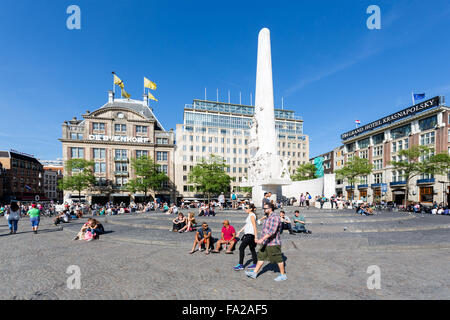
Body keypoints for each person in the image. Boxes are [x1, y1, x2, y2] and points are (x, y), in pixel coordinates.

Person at [245, 202, 287, 282]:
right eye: (263, 208)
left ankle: (283, 274)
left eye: (265, 208)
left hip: (273, 243)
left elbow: (272, 231)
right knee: (261, 257)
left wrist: (262, 239)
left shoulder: (275, 217)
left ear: (270, 209)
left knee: (278, 259)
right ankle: (254, 273)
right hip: (265, 242)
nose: (263, 210)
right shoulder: (268, 217)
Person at [234, 204, 258, 271]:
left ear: (250, 209)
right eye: (245, 207)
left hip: (250, 235)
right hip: (248, 235)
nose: (245, 209)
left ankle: (241, 265)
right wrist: (240, 231)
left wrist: (256, 237)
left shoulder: (252, 215)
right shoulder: (250, 215)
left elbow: (254, 226)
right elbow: (247, 224)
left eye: (246, 208)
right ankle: (255, 263)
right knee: (252, 249)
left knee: (241, 248)